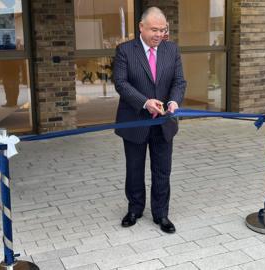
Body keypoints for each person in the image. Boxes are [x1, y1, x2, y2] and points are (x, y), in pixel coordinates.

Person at [113, 7, 186, 233]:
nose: (159, 34)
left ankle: (161, 214)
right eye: (154, 29)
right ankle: (135, 209)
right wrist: (145, 102)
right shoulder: (125, 50)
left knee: (162, 170)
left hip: (163, 123)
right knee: (134, 169)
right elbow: (121, 83)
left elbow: (179, 82)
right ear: (141, 27)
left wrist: (174, 101)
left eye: (163, 30)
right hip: (135, 120)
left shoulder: (171, 50)